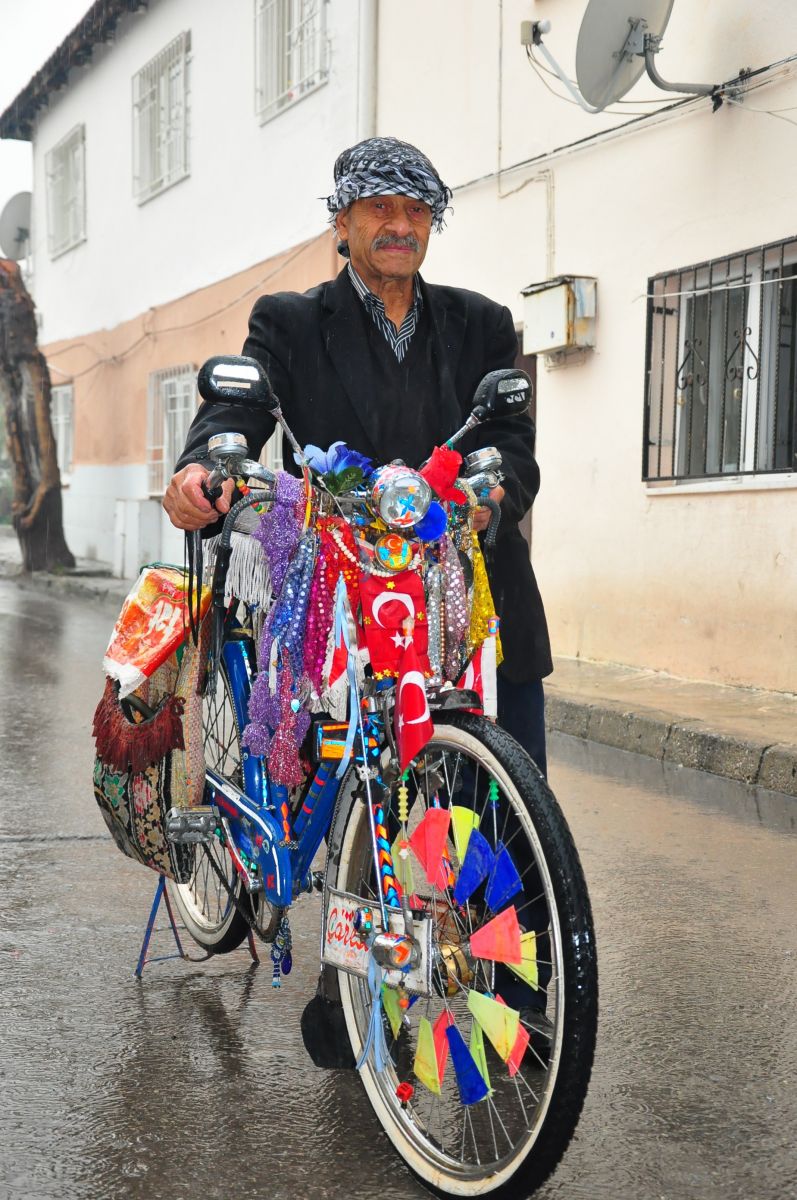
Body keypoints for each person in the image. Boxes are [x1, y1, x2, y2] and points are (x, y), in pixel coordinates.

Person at [164, 135, 553, 774]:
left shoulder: (481, 323)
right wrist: (202, 467)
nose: (401, 225)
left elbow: (511, 444)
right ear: (342, 222)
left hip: (469, 602)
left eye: (418, 210)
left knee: (501, 818)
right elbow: (239, 409)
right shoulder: (289, 322)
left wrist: (495, 495)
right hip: (336, 598)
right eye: (380, 207)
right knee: (343, 813)